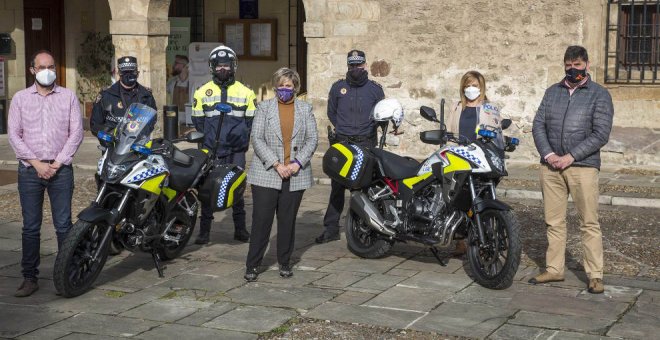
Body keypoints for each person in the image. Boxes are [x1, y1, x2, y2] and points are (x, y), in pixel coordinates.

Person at [530, 45, 614, 294]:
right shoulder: (552, 92)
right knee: (553, 222)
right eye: (568, 64)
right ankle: (554, 269)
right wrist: (550, 155)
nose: (572, 69)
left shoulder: (599, 94)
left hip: (583, 167)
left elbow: (601, 133)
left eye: (577, 65)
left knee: (589, 222)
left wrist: (570, 156)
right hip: (551, 167)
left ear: (587, 65)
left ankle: (595, 275)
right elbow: (538, 125)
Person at [8, 50, 84, 297]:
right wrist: (36, 163)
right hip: (30, 170)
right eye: (41, 67)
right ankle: (29, 277)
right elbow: (14, 135)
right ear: (32, 70)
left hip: (60, 170)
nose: (47, 70)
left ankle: (66, 274)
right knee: (30, 227)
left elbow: (76, 133)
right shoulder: (20, 99)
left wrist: (58, 162)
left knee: (63, 226)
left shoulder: (68, 96)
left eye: (51, 66)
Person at [243, 68, 318, 281]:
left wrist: (296, 163)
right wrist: (276, 164)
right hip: (267, 172)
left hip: (295, 174)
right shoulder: (264, 108)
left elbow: (312, 139)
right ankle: (253, 264)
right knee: (261, 221)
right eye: (282, 85)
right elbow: (256, 139)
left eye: (289, 85)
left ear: (295, 87)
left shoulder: (305, 109)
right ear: (275, 86)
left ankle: (284, 262)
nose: (285, 89)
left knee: (287, 221)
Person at [317, 49, 385, 244]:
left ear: (365, 65)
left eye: (359, 65)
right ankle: (330, 229)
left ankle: (368, 226)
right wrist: (343, 128)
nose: (355, 69)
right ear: (348, 66)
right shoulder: (338, 88)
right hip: (343, 142)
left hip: (365, 142)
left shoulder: (375, 89)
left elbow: (381, 115)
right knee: (337, 187)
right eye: (352, 65)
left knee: (366, 187)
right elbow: (332, 113)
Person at [191, 45, 256, 244]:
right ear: (212, 67)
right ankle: (204, 232)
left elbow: (250, 122)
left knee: (236, 187)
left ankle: (240, 229)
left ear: (233, 66)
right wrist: (210, 139)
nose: (222, 69)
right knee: (207, 190)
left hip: (236, 150)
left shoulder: (246, 93)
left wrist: (237, 137)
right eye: (218, 66)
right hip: (210, 149)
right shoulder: (201, 92)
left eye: (226, 65)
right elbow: (198, 122)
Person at [445, 70, 503, 256]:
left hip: (481, 156)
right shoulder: (456, 107)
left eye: (475, 86)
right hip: (460, 157)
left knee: (482, 196)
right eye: (468, 85)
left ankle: (484, 236)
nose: (471, 89)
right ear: (463, 88)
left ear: (482, 88)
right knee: (459, 199)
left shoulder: (489, 108)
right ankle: (460, 239)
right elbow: (449, 133)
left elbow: (497, 133)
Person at [90, 56, 157, 137]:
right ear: (119, 73)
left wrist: (142, 134)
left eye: (131, 72)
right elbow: (95, 124)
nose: (128, 75)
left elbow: (152, 120)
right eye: (125, 72)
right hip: (113, 146)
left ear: (137, 73)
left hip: (138, 144)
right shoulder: (106, 95)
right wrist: (108, 134)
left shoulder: (146, 95)